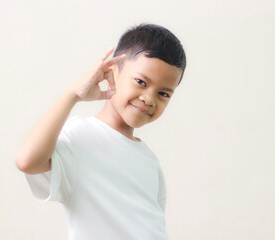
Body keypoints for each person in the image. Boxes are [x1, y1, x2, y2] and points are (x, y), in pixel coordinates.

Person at [15, 22, 187, 240]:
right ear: (113, 73)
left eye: (163, 94)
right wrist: (72, 95)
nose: (149, 98)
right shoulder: (81, 136)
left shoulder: (150, 161)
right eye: (141, 82)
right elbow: (26, 161)